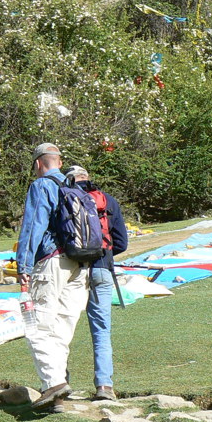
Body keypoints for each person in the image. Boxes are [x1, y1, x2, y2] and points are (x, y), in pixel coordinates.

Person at [16, 143, 90, 410]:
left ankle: (53, 384)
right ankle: (57, 390)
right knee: (61, 329)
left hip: (51, 261)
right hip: (81, 264)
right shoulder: (78, 186)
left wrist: (23, 266)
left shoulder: (42, 186)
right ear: (59, 161)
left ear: (38, 164)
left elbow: (33, 226)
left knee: (36, 325)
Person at [65, 166, 128, 402]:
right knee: (102, 331)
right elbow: (121, 242)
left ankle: (60, 382)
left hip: (73, 271)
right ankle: (104, 386)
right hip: (102, 268)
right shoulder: (108, 201)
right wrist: (105, 251)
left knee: (65, 329)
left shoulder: (66, 197)